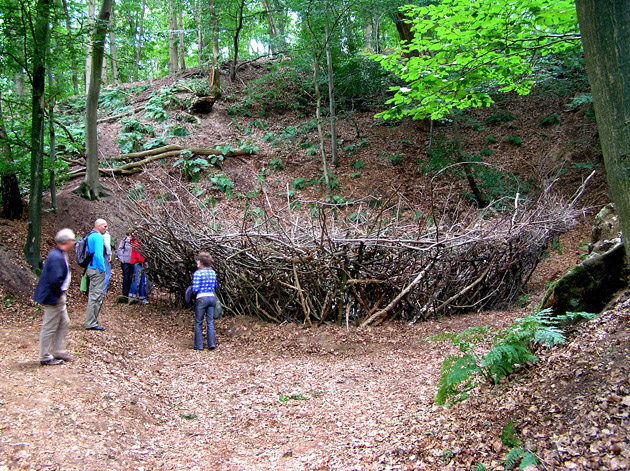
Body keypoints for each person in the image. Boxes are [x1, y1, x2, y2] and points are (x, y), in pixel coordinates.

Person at [33, 228, 76, 366]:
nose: (74, 243)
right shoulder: (56, 257)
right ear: (67, 241)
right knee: (49, 326)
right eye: (72, 240)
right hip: (54, 296)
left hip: (58, 295)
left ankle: (58, 350)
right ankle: (45, 356)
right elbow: (54, 280)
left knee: (64, 322)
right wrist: (58, 295)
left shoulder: (60, 254)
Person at [85, 218, 108, 331]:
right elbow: (98, 255)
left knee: (94, 295)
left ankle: (92, 320)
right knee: (95, 296)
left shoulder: (90, 235)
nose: (106, 228)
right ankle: (91, 323)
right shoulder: (98, 237)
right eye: (105, 226)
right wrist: (103, 269)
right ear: (98, 226)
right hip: (96, 269)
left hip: (90, 268)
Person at [192, 252, 217, 350]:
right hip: (211, 298)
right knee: (210, 322)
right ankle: (211, 344)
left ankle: (199, 345)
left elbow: (195, 289)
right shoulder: (213, 272)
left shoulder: (198, 273)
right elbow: (215, 286)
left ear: (201, 262)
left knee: (199, 322)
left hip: (202, 298)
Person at [128, 234, 148, 304]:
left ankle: (142, 296)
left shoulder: (140, 242)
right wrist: (142, 261)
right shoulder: (136, 242)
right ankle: (132, 295)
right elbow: (138, 253)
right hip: (138, 263)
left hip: (141, 262)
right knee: (137, 280)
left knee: (142, 280)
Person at [116, 230, 134, 299]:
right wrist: (121, 258)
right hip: (125, 261)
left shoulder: (135, 241)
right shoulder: (124, 240)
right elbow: (119, 249)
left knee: (131, 277)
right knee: (126, 277)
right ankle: (124, 293)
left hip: (133, 261)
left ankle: (129, 292)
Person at [102, 229, 112, 295]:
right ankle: (103, 290)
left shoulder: (94, 234)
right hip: (104, 254)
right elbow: (107, 245)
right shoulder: (106, 235)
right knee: (107, 273)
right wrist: (109, 254)